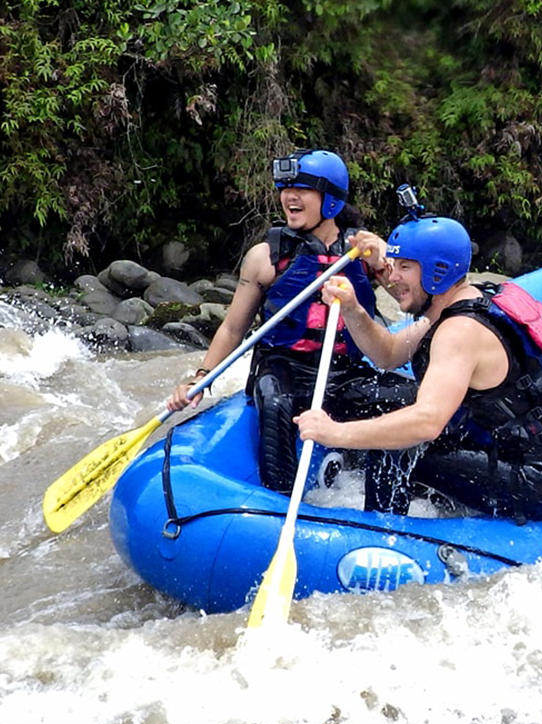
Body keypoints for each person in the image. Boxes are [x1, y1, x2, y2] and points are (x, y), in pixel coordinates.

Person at [294, 214, 542, 521]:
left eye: (405, 267)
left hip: (541, 481)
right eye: (395, 266)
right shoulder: (462, 303)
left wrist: (335, 433)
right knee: (400, 419)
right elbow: (389, 354)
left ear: (438, 271)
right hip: (539, 455)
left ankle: (381, 538)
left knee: (393, 447)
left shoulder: (459, 330)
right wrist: (352, 309)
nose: (392, 278)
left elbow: (426, 423)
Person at [167, 149, 413, 491]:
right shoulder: (265, 256)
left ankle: (386, 505)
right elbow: (233, 328)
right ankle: (278, 495)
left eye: (302, 189)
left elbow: (413, 300)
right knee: (273, 399)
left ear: (330, 200)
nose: (289, 197)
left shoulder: (362, 250)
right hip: (285, 370)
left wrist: (384, 259)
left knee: (408, 398)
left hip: (343, 371)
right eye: (285, 188)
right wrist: (202, 377)